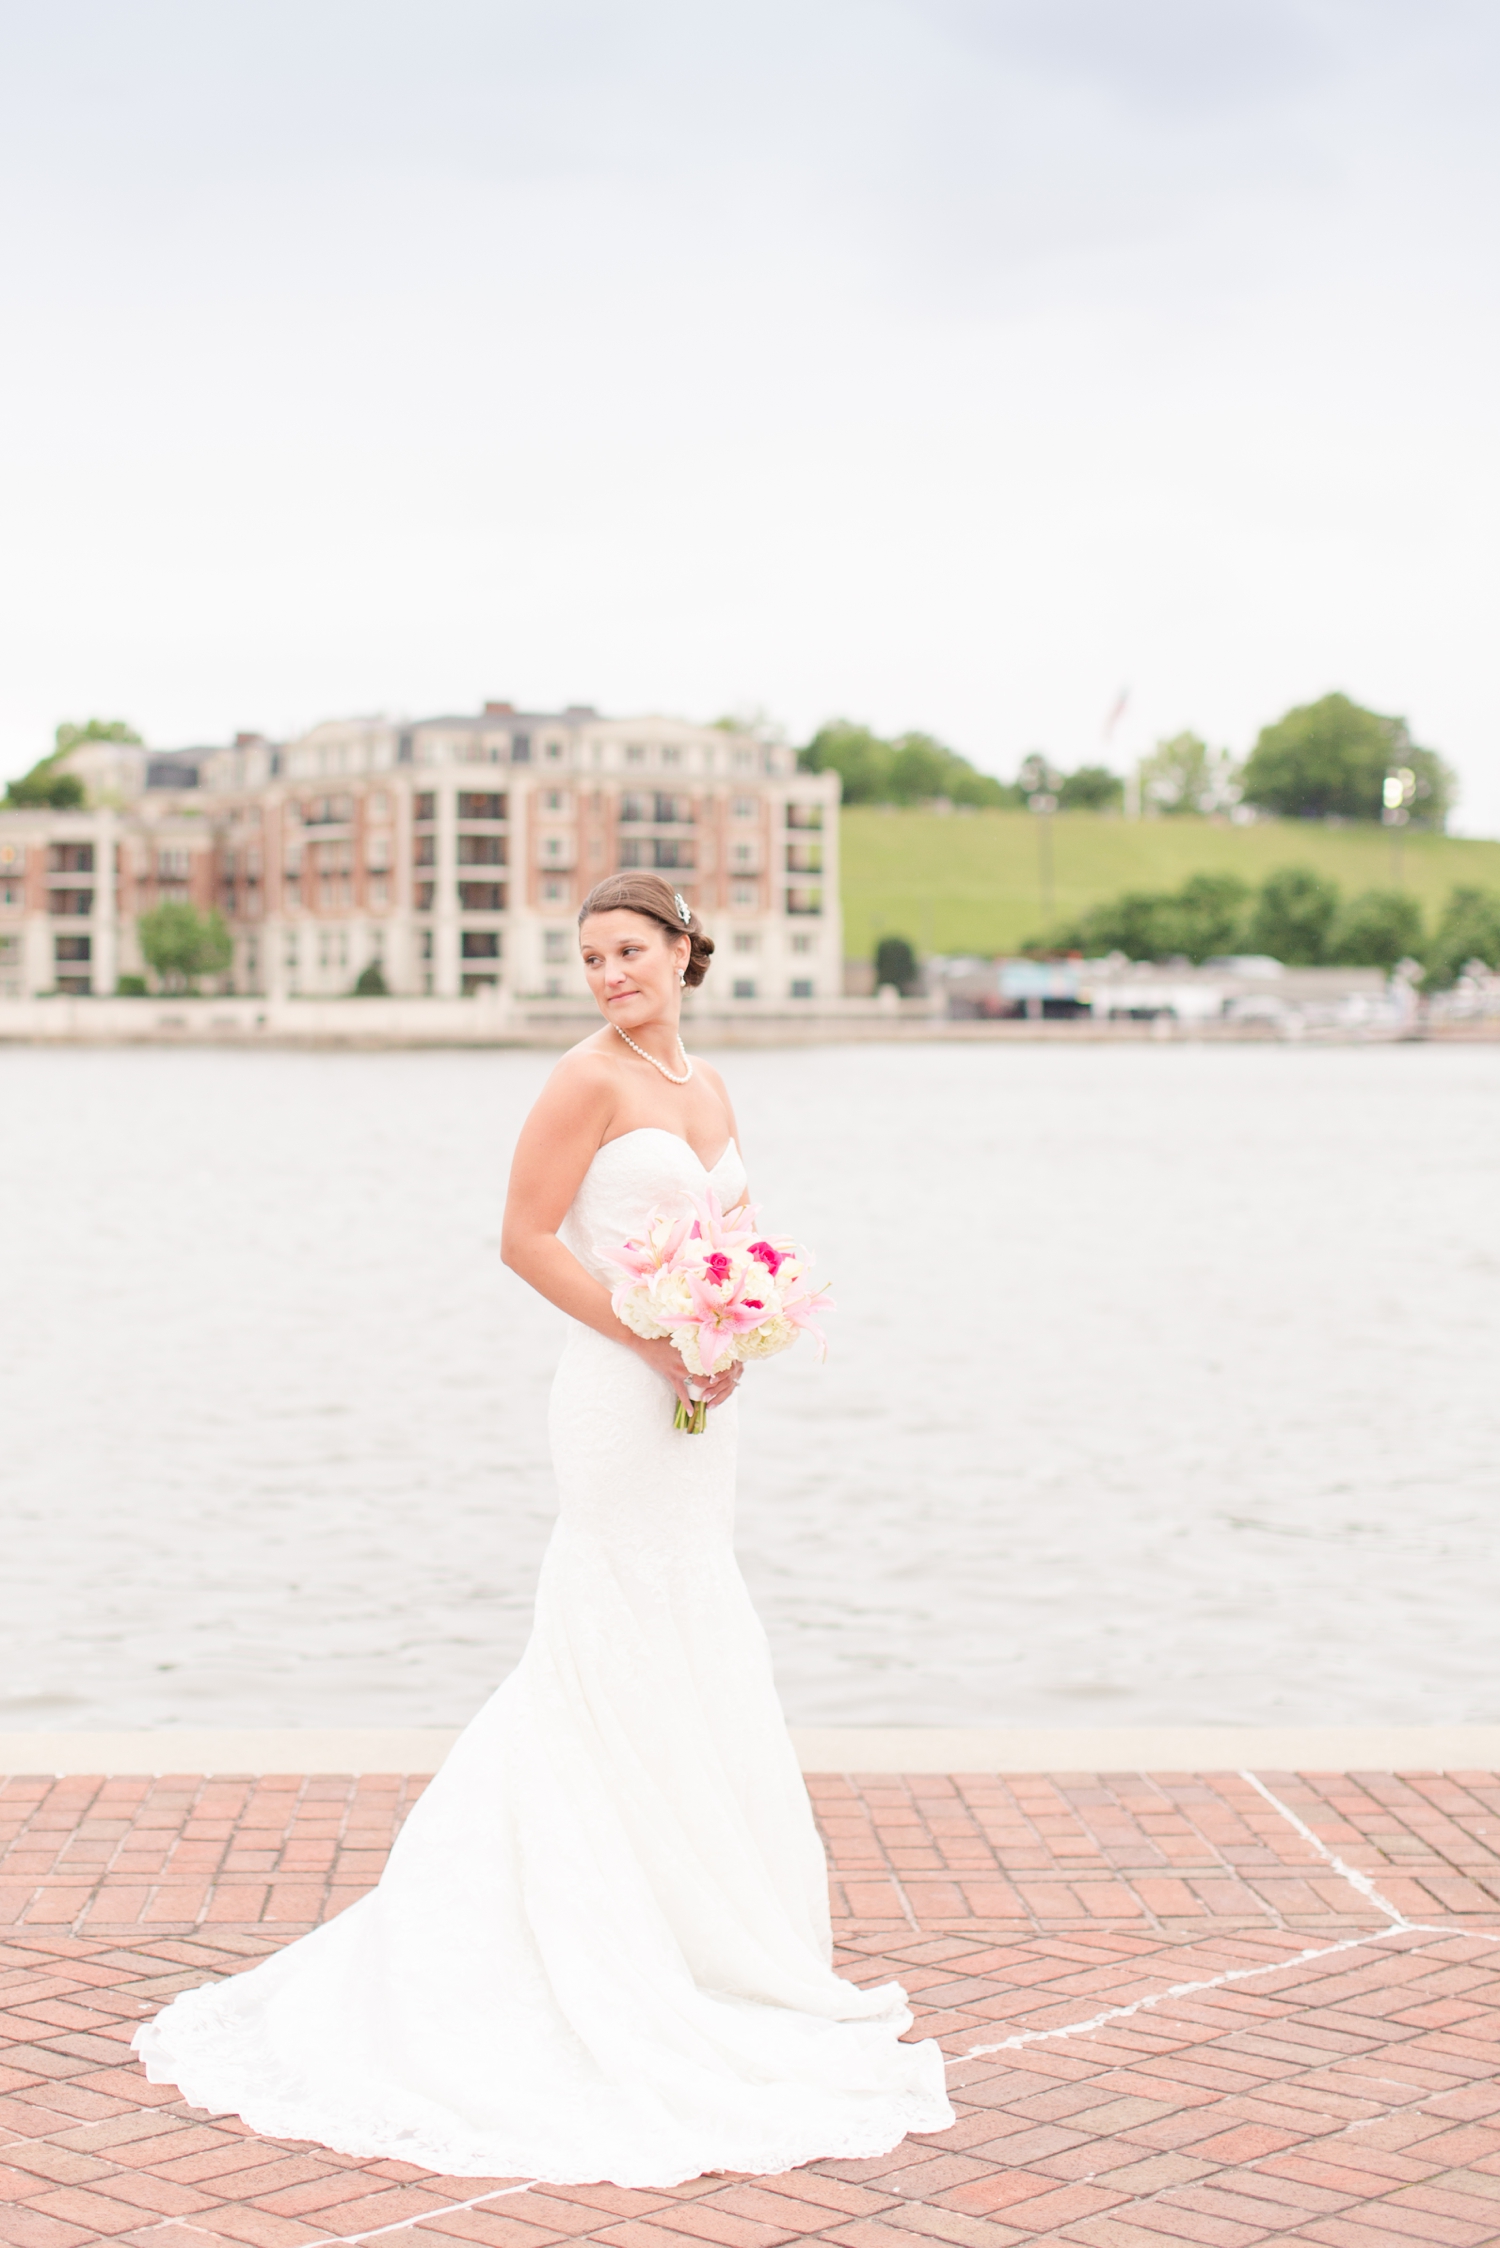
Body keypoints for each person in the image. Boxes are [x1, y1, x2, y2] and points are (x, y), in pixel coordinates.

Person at [134, 870, 952, 2186]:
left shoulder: (708, 1090)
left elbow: (730, 1235)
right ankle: (566, 1930)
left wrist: (735, 1326)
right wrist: (657, 1332)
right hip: (615, 1391)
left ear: (687, 952)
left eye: (629, 949)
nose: (609, 973)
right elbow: (523, 1238)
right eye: (590, 956)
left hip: (699, 1397)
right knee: (605, 1629)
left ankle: (697, 1920)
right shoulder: (585, 1079)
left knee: (689, 1621)